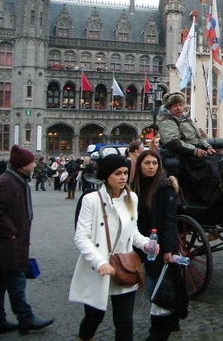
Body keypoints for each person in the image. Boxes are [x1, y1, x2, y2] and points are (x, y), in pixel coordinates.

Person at [69, 154, 156, 341]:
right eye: (118, 173)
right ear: (107, 176)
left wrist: (146, 244)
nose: (123, 177)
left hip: (124, 265)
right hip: (98, 267)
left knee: (124, 321)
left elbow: (133, 232)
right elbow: (81, 237)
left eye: (125, 172)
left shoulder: (132, 198)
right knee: (94, 317)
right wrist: (100, 262)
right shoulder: (91, 200)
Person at [0, 145, 54, 334]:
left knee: (3, 282)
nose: (34, 164)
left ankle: (0, 320)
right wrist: (12, 232)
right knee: (16, 280)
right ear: (23, 165)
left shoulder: (17, 180)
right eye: (31, 161)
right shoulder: (6, 182)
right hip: (7, 244)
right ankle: (26, 318)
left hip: (14, 242)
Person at [131, 150, 181, 340]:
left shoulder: (164, 187)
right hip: (139, 241)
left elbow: (169, 221)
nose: (151, 167)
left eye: (154, 163)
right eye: (147, 163)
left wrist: (168, 249)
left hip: (158, 244)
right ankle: (171, 319)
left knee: (155, 286)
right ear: (140, 165)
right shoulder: (134, 186)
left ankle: (158, 331)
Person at [158, 91, 217, 203]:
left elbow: (199, 137)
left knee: (219, 161)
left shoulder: (187, 120)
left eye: (180, 105)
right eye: (175, 105)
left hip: (197, 151)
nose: (178, 108)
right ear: (169, 107)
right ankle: (208, 197)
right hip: (184, 155)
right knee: (209, 166)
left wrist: (208, 147)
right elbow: (172, 142)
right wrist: (194, 151)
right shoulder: (167, 121)